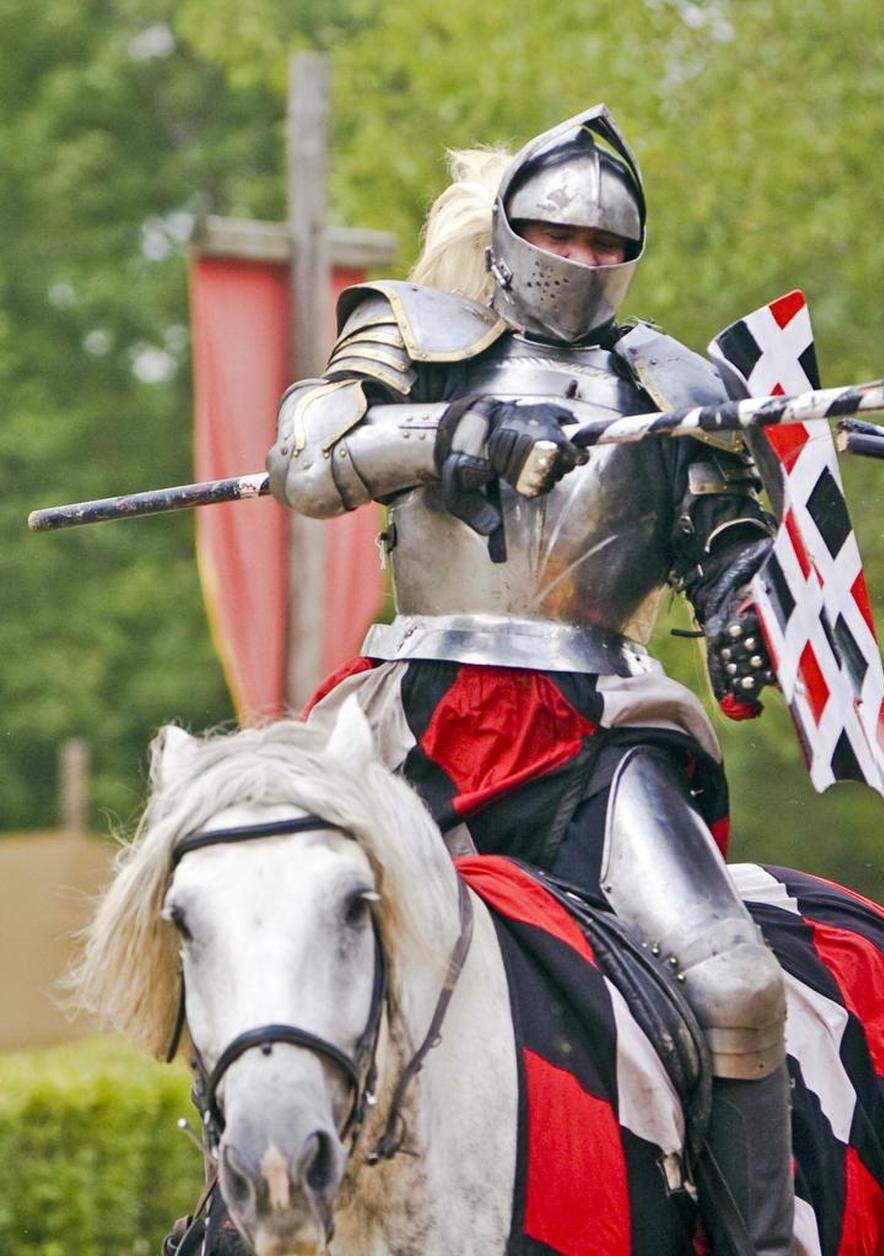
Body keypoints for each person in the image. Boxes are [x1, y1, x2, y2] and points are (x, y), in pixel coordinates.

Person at [268, 105, 793, 1255]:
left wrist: (753, 609)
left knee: (741, 989)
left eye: (608, 244)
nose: (583, 260)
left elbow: (730, 552)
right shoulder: (412, 332)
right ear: (506, 235)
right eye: (559, 232)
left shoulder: (670, 382)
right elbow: (302, 458)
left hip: (599, 733)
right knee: (282, 951)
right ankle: (247, 1211)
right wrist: (451, 432)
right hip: (411, 719)